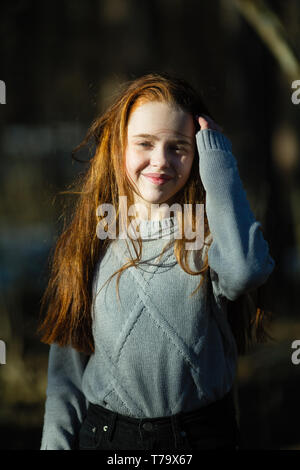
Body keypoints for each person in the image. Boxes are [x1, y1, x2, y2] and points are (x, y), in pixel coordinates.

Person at [38, 72, 275, 450]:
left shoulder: (208, 237)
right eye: (144, 143)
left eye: (178, 147)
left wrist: (219, 162)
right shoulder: (90, 241)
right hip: (107, 438)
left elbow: (246, 270)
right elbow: (66, 375)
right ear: (119, 149)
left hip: (199, 437)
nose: (160, 161)